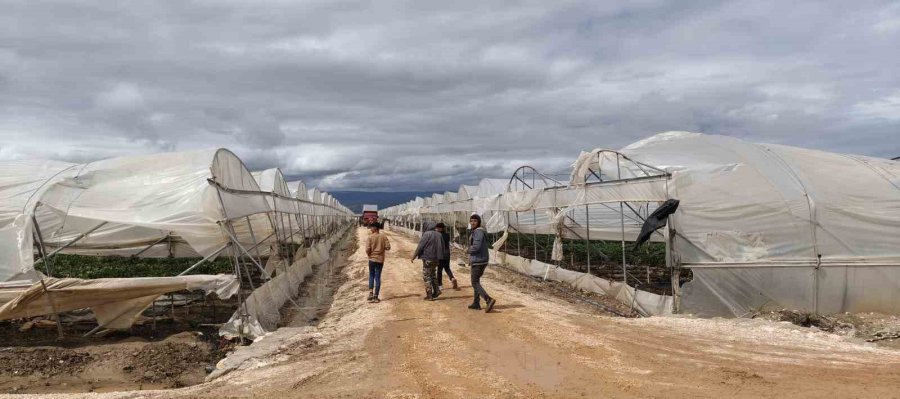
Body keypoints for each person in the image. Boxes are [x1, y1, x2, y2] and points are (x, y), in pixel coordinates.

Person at [410, 221, 447, 300]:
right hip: (436, 259)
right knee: (433, 274)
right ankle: (437, 291)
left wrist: (414, 256)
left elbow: (420, 246)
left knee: (427, 276)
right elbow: (443, 247)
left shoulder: (426, 234)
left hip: (427, 258)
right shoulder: (439, 235)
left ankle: (429, 294)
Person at [468, 214, 496, 312]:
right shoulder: (477, 231)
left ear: (478, 222)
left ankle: (488, 299)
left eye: (475, 221)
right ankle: (476, 303)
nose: (472, 223)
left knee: (474, 282)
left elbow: (476, 246)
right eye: (471, 221)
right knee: (477, 281)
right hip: (480, 259)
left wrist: (468, 250)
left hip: (479, 260)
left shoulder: (478, 232)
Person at [365, 222, 390, 303]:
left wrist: (369, 255)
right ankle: (376, 296)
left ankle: (371, 293)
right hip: (380, 260)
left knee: (371, 275)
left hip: (372, 259)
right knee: (378, 277)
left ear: (375, 228)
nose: (370, 229)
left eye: (371, 227)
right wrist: (381, 248)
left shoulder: (370, 237)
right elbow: (388, 247)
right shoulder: (383, 236)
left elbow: (367, 249)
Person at [434, 222, 459, 291]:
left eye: (437, 228)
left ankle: (440, 285)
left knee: (439, 270)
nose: (436, 229)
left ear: (440, 228)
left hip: (440, 254)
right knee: (447, 268)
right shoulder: (447, 235)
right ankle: (452, 278)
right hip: (447, 253)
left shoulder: (438, 235)